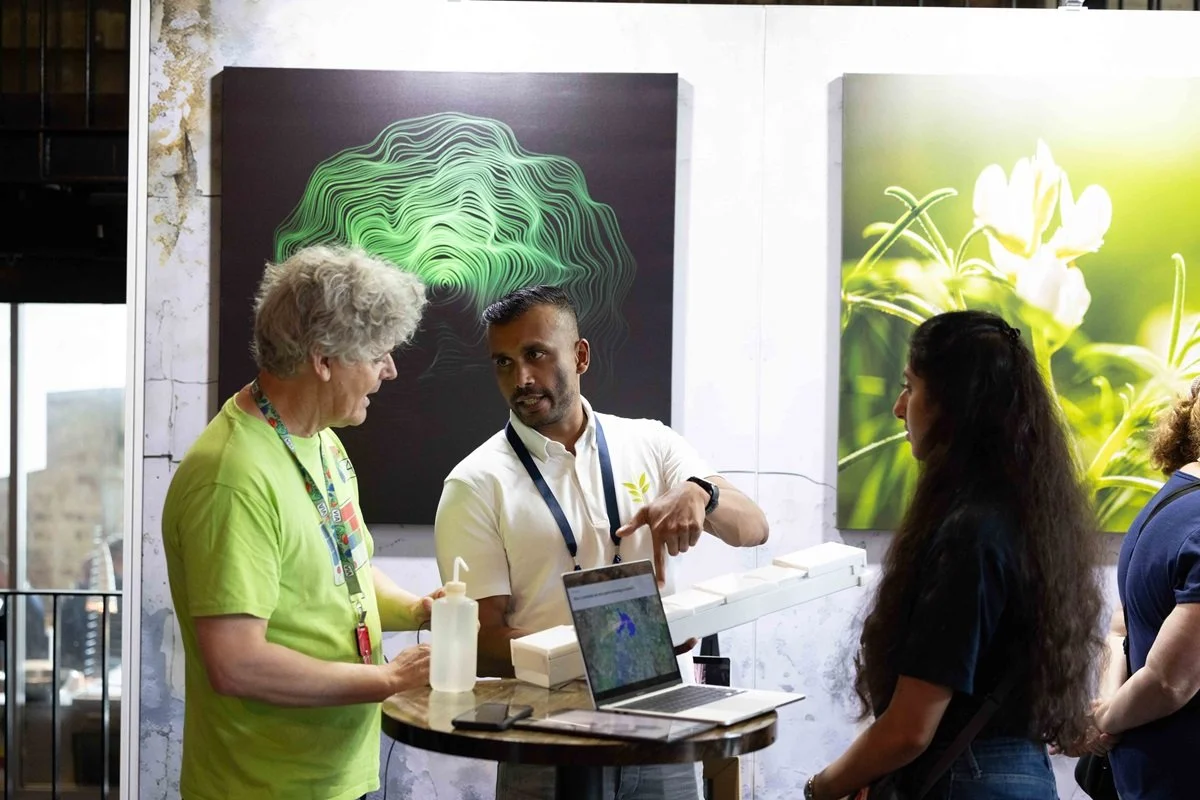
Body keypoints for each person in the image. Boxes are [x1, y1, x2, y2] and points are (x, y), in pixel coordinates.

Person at [434, 285, 770, 800]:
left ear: (581, 356)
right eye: (503, 362)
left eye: (536, 355)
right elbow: (482, 646)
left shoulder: (650, 442)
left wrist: (701, 493)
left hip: (658, 730)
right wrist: (626, 648)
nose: (520, 378)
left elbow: (755, 528)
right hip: (545, 741)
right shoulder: (475, 482)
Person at [161, 245, 438, 800]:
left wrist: (418, 610)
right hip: (262, 788)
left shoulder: (321, 442)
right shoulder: (232, 477)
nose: (390, 369)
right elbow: (237, 664)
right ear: (323, 358)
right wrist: (388, 680)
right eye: (377, 352)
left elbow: (345, 570)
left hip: (335, 779)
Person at [803, 310, 1104, 800]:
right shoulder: (1028, 516)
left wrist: (821, 787)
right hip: (1020, 773)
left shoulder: (971, 531)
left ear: (954, 407)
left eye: (911, 387)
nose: (900, 407)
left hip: (966, 781)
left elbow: (910, 729)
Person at [1089, 377, 1200, 799]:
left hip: (1143, 770)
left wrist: (1105, 710)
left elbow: (1120, 629)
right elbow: (1170, 681)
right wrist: (1103, 723)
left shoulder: (1169, 503)